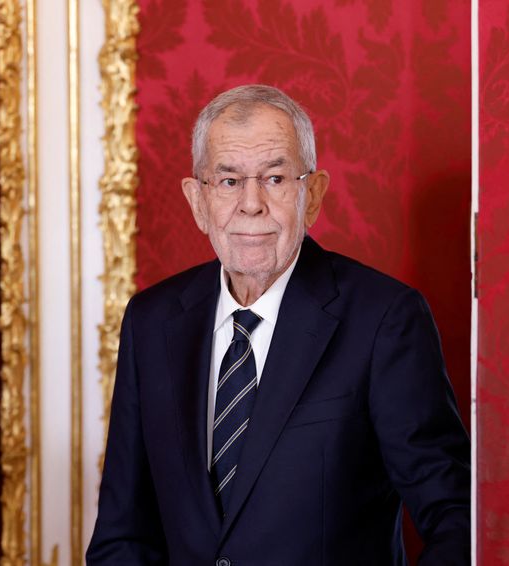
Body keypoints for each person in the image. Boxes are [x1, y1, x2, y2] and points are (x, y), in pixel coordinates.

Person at [87, 84, 471, 566]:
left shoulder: (386, 320)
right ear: (197, 201)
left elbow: (456, 515)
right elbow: (122, 533)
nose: (251, 204)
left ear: (311, 195)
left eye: (275, 178)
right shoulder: (152, 321)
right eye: (228, 181)